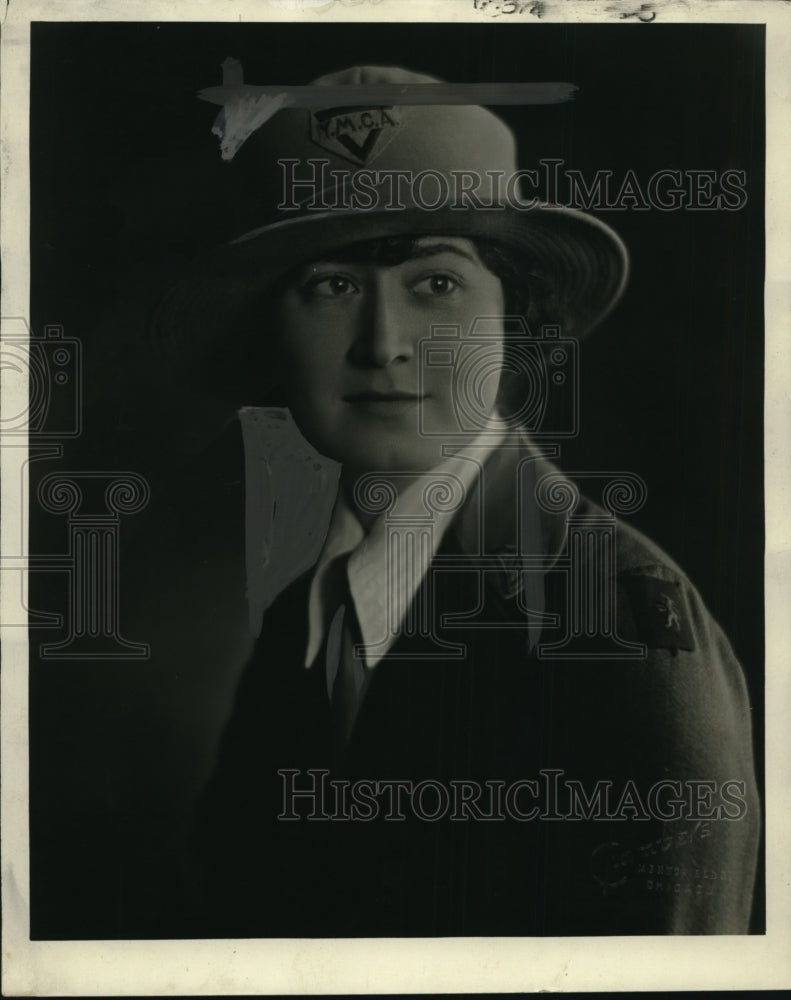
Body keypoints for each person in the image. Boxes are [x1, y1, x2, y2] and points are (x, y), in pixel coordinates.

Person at [156, 65, 760, 936]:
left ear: (513, 319)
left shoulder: (618, 623)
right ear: (267, 333)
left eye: (436, 283)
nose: (384, 344)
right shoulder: (303, 621)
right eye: (329, 286)